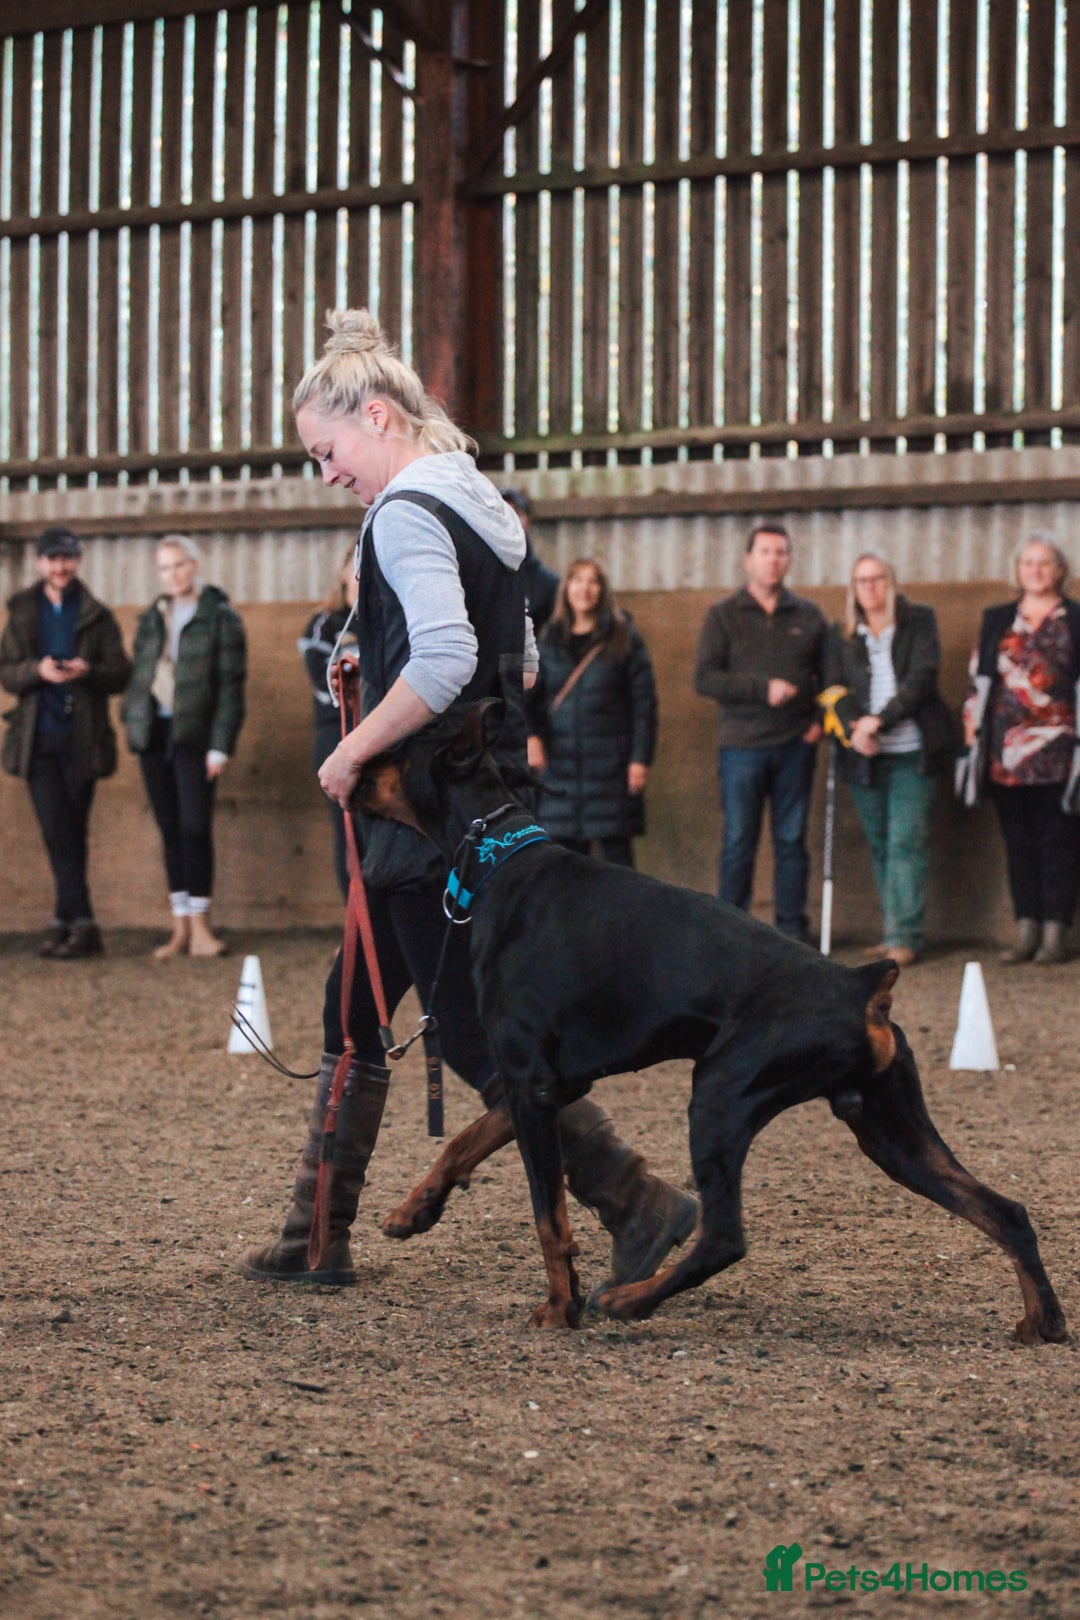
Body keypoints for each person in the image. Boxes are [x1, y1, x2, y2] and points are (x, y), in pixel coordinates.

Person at [240, 308, 695, 1288]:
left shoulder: (405, 511)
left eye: (326, 451)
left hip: (426, 816)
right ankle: (314, 1235)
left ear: (374, 416)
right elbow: (517, 658)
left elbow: (447, 655)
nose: (327, 473)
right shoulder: (480, 502)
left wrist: (355, 746)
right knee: (356, 1006)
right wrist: (376, 664)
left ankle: (637, 1200)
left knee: (479, 1037)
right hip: (479, 800)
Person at [0, 527, 131, 957]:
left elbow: (121, 673)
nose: (61, 566)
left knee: (71, 830)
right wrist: (37, 671)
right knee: (57, 829)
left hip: (83, 739)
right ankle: (82, 922)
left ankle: (64, 921)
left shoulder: (97, 614)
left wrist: (87, 671)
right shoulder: (22, 611)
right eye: (53, 558)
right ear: (40, 562)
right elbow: (7, 672)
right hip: (37, 739)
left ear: (76, 561)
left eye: (67, 558)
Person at [693, 522, 825, 942]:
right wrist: (761, 689)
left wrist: (819, 723)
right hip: (742, 748)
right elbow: (705, 678)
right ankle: (730, 933)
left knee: (791, 841)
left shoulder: (809, 615)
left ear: (790, 560)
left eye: (781, 552)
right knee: (738, 842)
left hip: (795, 746)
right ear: (749, 560)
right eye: (765, 552)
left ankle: (792, 932)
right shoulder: (723, 615)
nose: (773, 560)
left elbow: (830, 677)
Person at [822, 555, 954, 965]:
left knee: (906, 842)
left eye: (877, 578)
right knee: (880, 843)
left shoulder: (919, 621)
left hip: (913, 750)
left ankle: (905, 936)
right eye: (861, 580)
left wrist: (879, 721)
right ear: (853, 587)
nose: (870, 587)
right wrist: (855, 730)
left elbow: (922, 679)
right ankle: (893, 928)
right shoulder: (842, 633)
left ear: (891, 582)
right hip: (864, 755)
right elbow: (833, 687)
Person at [122, 535, 247, 958]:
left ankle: (201, 928)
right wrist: (131, 718)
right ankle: (179, 927)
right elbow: (140, 675)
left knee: (195, 828)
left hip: (195, 736)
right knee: (170, 830)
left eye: (178, 564)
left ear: (194, 565)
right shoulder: (152, 618)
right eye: (164, 567)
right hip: (153, 734)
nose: (172, 574)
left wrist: (220, 745)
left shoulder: (220, 617)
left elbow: (230, 687)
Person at [961, 536, 1080, 965]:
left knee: (1058, 841)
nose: (1036, 570)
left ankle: (1055, 932)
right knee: (1018, 841)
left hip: (1059, 751)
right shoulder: (998, 618)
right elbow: (978, 679)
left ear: (1060, 570)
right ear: (1017, 570)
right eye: (1028, 562)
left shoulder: (1074, 619)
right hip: (1005, 754)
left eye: (1044, 562)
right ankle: (1026, 928)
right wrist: (972, 730)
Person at [526, 557, 657, 867]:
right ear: (566, 588)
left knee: (619, 869)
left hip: (611, 772)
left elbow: (644, 704)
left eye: (593, 581)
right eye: (578, 580)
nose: (585, 588)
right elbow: (529, 698)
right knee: (566, 870)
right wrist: (531, 737)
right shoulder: (547, 639)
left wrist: (640, 759)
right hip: (559, 771)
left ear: (603, 590)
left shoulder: (624, 637)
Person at [300, 547, 360, 899]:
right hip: (337, 734)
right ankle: (355, 919)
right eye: (356, 567)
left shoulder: (393, 620)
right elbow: (325, 682)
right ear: (343, 573)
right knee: (348, 832)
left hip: (385, 736)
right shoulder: (325, 624)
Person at [499, 487, 559, 635]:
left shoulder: (548, 582)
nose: (509, 519)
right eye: (501, 512)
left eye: (516, 513)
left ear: (528, 520)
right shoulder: (474, 572)